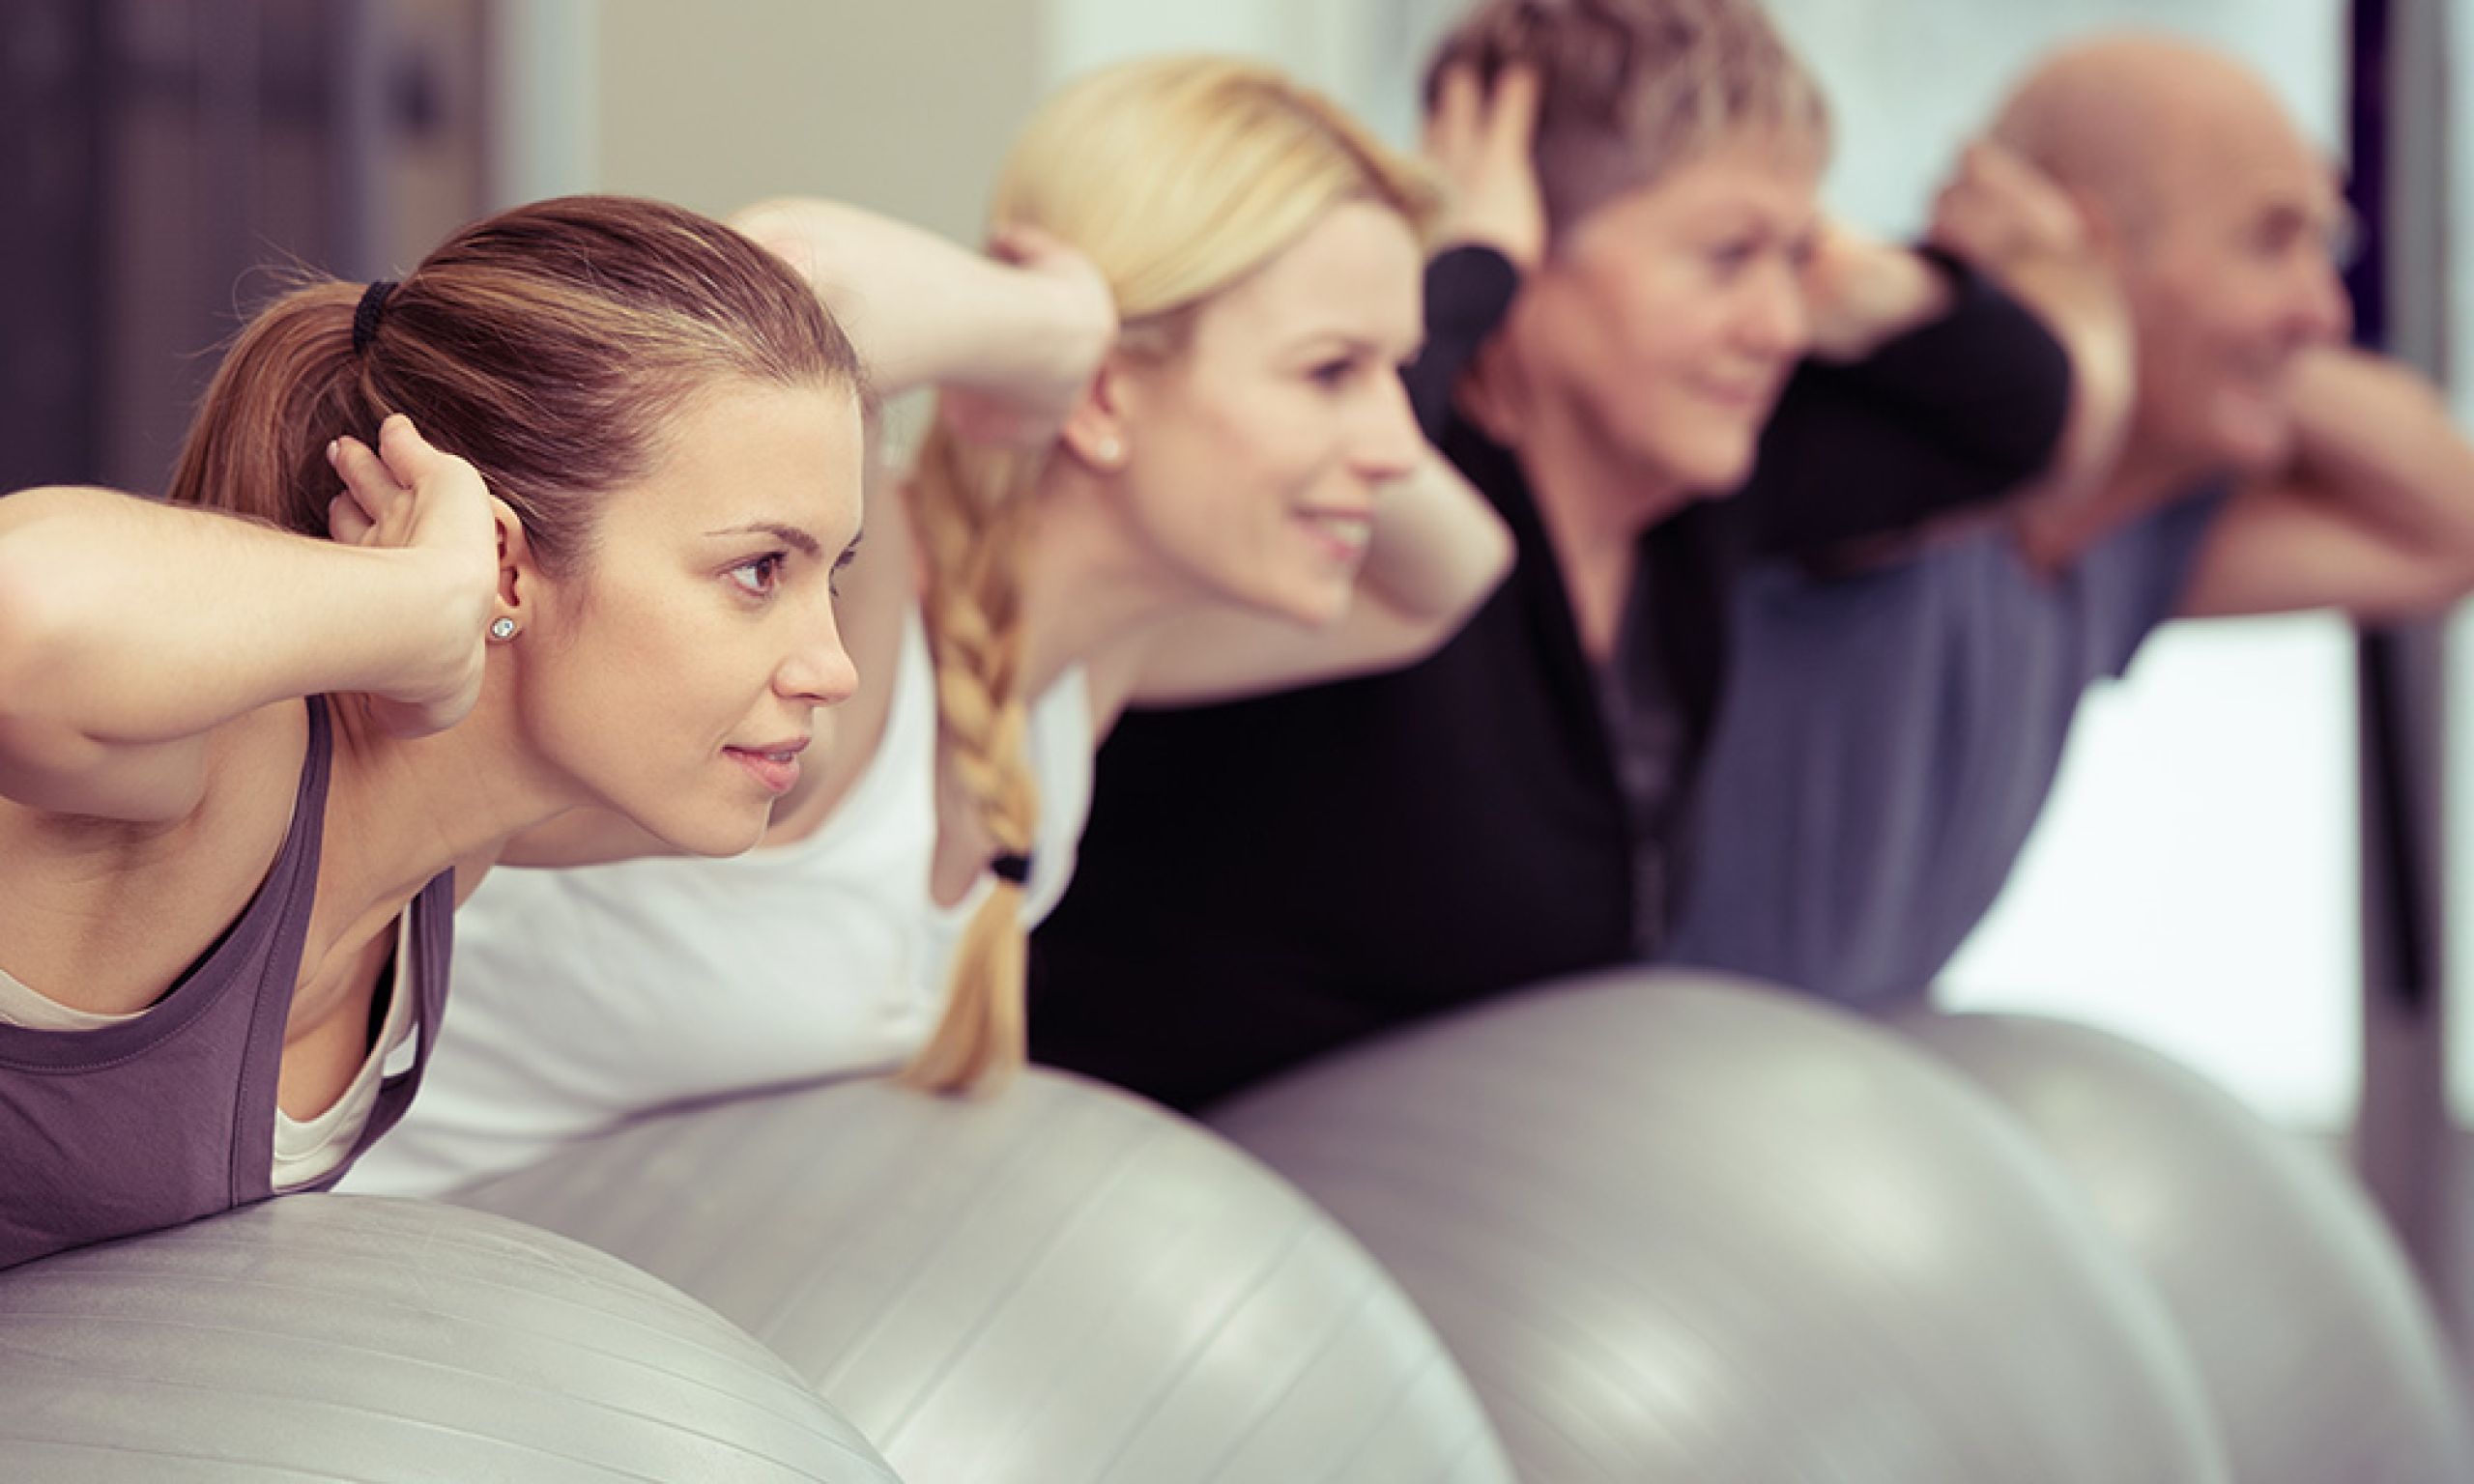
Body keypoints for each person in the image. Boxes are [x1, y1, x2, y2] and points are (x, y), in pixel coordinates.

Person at [345, 54, 1517, 1197]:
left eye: (1393, 373)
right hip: (322, 1275)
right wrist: (1063, 325)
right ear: (1106, 394)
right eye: (1330, 373)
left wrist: (1449, 280)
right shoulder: (842, 599)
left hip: (546, 1300)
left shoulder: (1085, 662)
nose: (1393, 444)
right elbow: (781, 288)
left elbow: (1452, 574)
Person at [1030, 0, 2105, 1112]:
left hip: (1457, 1215)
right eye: (1728, 255)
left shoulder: (1700, 500)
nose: (1779, 323)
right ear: (1532, 255)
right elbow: (1319, 439)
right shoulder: (1366, 509)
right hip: (1159, 1192)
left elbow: (2020, 417)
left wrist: (1880, 278)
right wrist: (1466, 263)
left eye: (1795, 259)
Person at [0, 195, 867, 1267]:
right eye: (756, 571)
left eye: (836, 571)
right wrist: (417, 603)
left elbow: (817, 774)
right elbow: (21, 610)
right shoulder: (233, 764)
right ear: (505, 563)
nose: (834, 666)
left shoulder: (475, 827)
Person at [1659, 33, 2474, 1003]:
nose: (2323, 312)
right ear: (2093, 247)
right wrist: (2065, 308)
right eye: (2270, 242)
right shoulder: (1881, 462)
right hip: (1617, 1103)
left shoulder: (2119, 540)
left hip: (1806, 1112)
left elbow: (2444, 532)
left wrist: (2197, 330)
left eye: (2321, 247)